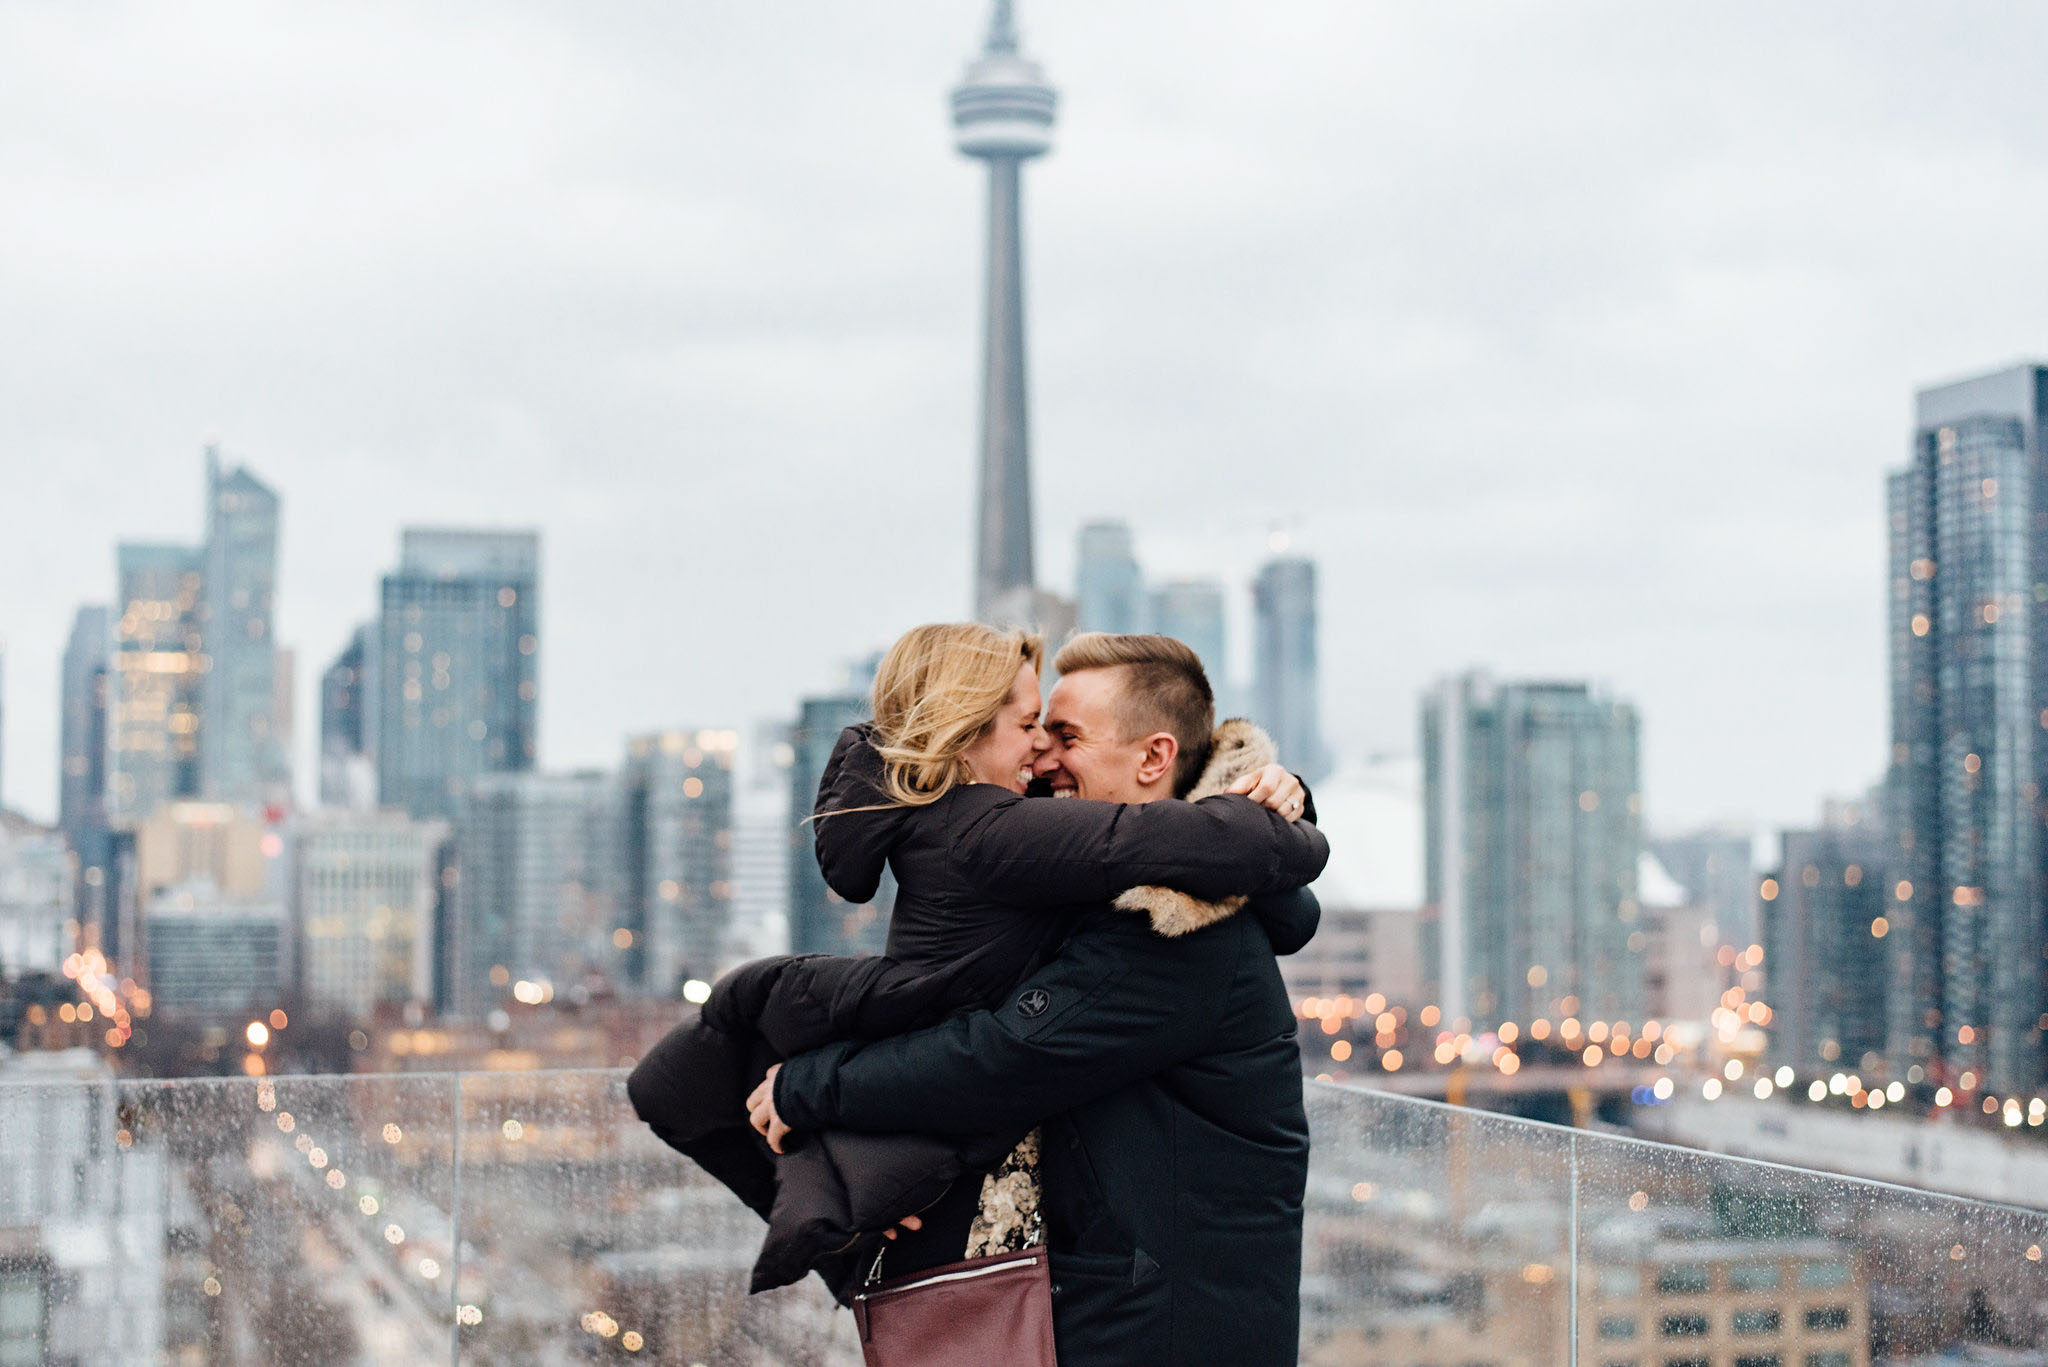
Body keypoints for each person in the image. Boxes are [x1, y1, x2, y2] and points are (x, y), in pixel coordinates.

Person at [626, 624, 1326, 1301]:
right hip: (1134, 1294)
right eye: (1035, 729)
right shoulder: (1039, 855)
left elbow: (1003, 1058)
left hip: (1165, 1321)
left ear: (1152, 758)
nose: (1044, 757)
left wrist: (808, 1088)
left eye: (1064, 736)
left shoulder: (1174, 930)